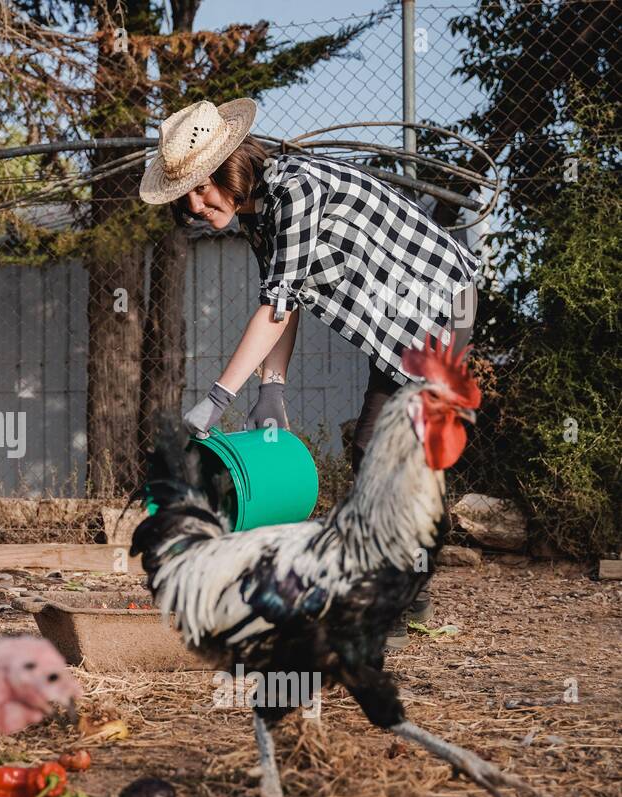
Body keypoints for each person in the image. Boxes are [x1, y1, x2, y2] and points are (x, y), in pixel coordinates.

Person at [139, 99, 480, 637]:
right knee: (372, 444)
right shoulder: (257, 214)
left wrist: (217, 399)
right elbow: (284, 300)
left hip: (440, 302)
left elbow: (274, 308)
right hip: (398, 326)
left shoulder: (294, 192)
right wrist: (271, 388)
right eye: (186, 198)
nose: (197, 205)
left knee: (387, 448)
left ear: (229, 167)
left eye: (202, 188)